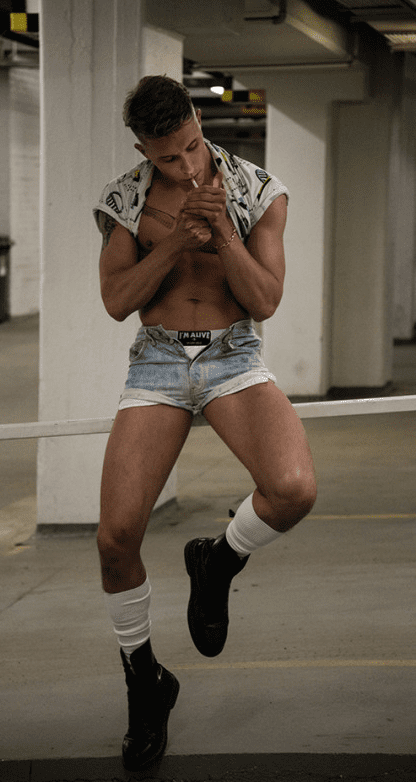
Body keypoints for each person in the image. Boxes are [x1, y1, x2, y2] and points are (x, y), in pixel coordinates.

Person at [93, 75, 317, 771]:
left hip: (232, 356)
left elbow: (266, 301)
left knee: (293, 489)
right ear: (143, 151)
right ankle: (146, 683)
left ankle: (217, 558)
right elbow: (116, 302)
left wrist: (220, 232)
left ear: (197, 121)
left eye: (191, 146)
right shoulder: (125, 202)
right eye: (167, 157)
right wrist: (170, 245)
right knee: (115, 539)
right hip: (158, 361)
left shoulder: (257, 190)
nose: (186, 165)